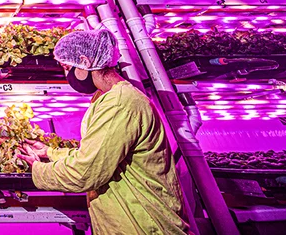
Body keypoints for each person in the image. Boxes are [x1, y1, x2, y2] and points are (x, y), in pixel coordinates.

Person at [16, 30, 189, 235]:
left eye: (66, 67)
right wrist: (50, 153)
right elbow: (97, 154)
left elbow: (85, 172)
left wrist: (37, 169)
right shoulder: (109, 98)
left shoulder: (120, 104)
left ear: (84, 62)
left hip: (143, 225)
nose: (66, 75)